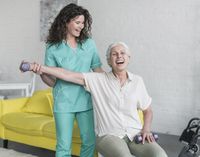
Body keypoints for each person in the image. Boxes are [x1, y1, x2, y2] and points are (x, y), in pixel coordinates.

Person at [22, 42, 168, 157]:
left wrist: (146, 129)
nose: (119, 56)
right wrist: (42, 68)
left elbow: (147, 110)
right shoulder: (98, 80)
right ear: (109, 61)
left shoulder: (138, 81)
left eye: (122, 53)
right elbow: (67, 74)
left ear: (129, 58)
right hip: (109, 136)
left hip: (135, 133)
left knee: (159, 154)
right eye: (114, 54)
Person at [39, 3, 103, 157]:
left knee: (89, 142)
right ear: (66, 21)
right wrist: (41, 73)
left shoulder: (89, 44)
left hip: (86, 100)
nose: (81, 26)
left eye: (83, 23)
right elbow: (52, 81)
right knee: (63, 146)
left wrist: (112, 82)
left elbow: (98, 70)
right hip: (63, 103)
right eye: (77, 22)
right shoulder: (53, 47)